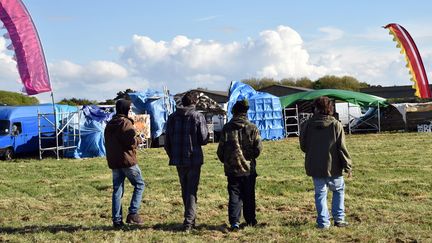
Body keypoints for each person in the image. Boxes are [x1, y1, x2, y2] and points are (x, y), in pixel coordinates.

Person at [299, 96, 352, 229]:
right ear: (330, 108)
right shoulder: (336, 125)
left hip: (315, 166)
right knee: (338, 190)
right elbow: (341, 147)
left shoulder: (307, 124)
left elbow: (303, 146)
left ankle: (323, 223)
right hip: (334, 166)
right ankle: (339, 219)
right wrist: (347, 165)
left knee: (320, 194)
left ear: (314, 108)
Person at [164, 91, 209, 232]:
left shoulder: (172, 118)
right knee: (191, 190)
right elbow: (203, 139)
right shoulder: (197, 116)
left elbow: (167, 142)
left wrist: (173, 155)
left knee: (185, 189)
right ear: (194, 102)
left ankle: (190, 218)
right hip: (194, 158)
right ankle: (189, 221)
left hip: (178, 159)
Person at [217, 99, 263, 231]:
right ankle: (250, 221)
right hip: (248, 169)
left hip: (232, 169)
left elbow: (220, 150)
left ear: (234, 112)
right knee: (249, 195)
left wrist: (226, 160)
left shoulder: (226, 128)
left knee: (234, 195)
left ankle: (234, 222)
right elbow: (258, 148)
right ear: (245, 112)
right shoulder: (252, 128)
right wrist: (251, 157)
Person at [104, 99, 145, 228]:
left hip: (114, 161)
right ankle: (133, 212)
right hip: (127, 161)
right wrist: (139, 139)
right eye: (130, 108)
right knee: (139, 184)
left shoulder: (110, 123)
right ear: (126, 110)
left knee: (117, 190)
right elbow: (131, 142)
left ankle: (117, 220)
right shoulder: (125, 123)